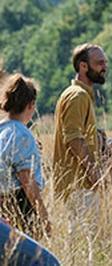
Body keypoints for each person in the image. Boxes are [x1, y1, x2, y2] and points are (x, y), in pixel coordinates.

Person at [53, 43, 107, 200]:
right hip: (78, 186)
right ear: (83, 66)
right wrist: (95, 176)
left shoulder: (80, 94)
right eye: (99, 63)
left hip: (79, 186)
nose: (104, 67)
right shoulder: (78, 96)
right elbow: (74, 139)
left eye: (105, 62)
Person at [0, 74, 50, 237]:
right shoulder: (22, 134)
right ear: (31, 105)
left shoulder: (2, 130)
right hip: (20, 205)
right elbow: (26, 179)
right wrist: (44, 217)